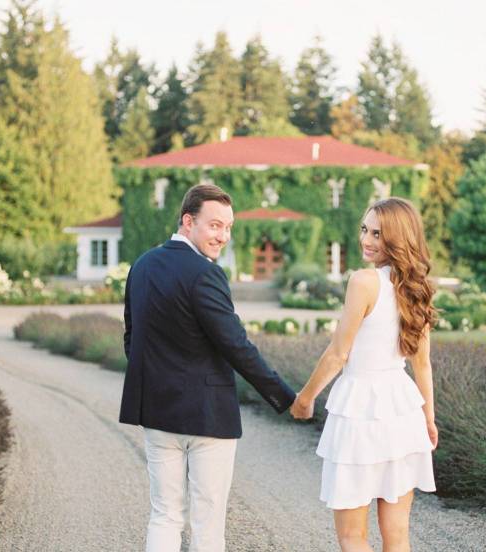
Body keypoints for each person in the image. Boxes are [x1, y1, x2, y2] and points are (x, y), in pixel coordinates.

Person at [119, 183, 296, 552]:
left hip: (155, 411)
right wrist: (285, 396)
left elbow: (131, 339)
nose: (223, 236)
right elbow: (236, 345)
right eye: (215, 226)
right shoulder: (205, 273)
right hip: (207, 416)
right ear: (188, 221)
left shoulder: (142, 266)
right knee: (208, 521)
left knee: (164, 514)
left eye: (228, 227)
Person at [291, 197, 438, 552]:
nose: (367, 240)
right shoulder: (416, 288)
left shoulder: (363, 281)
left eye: (378, 233)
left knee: (353, 537)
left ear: (398, 238)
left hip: (360, 411)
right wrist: (428, 419)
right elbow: (421, 364)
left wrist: (304, 398)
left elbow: (338, 354)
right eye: (365, 229)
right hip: (402, 411)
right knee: (398, 535)